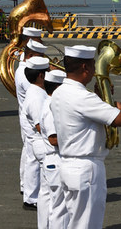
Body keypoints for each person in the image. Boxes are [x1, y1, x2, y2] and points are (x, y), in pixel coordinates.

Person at [50, 45, 121, 229]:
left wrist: (100, 97)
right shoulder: (82, 97)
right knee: (87, 224)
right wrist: (119, 106)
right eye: (93, 65)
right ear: (85, 67)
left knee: (74, 222)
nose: (95, 70)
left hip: (67, 165)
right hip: (86, 168)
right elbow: (119, 119)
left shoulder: (59, 92)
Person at [16, 37, 47, 210]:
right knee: (33, 160)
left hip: (29, 118)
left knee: (29, 156)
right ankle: (31, 197)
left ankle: (27, 189)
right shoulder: (27, 77)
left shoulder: (27, 71)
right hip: (32, 122)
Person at [21, 56, 51, 225]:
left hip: (39, 140)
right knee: (47, 185)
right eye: (47, 72)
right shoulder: (36, 97)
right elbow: (41, 126)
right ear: (41, 75)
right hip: (42, 141)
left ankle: (32, 198)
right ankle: (32, 199)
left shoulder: (37, 91)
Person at [39, 69, 68, 228]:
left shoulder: (49, 102)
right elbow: (53, 139)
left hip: (52, 159)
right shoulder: (51, 107)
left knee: (53, 204)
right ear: (57, 88)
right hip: (56, 159)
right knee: (60, 209)